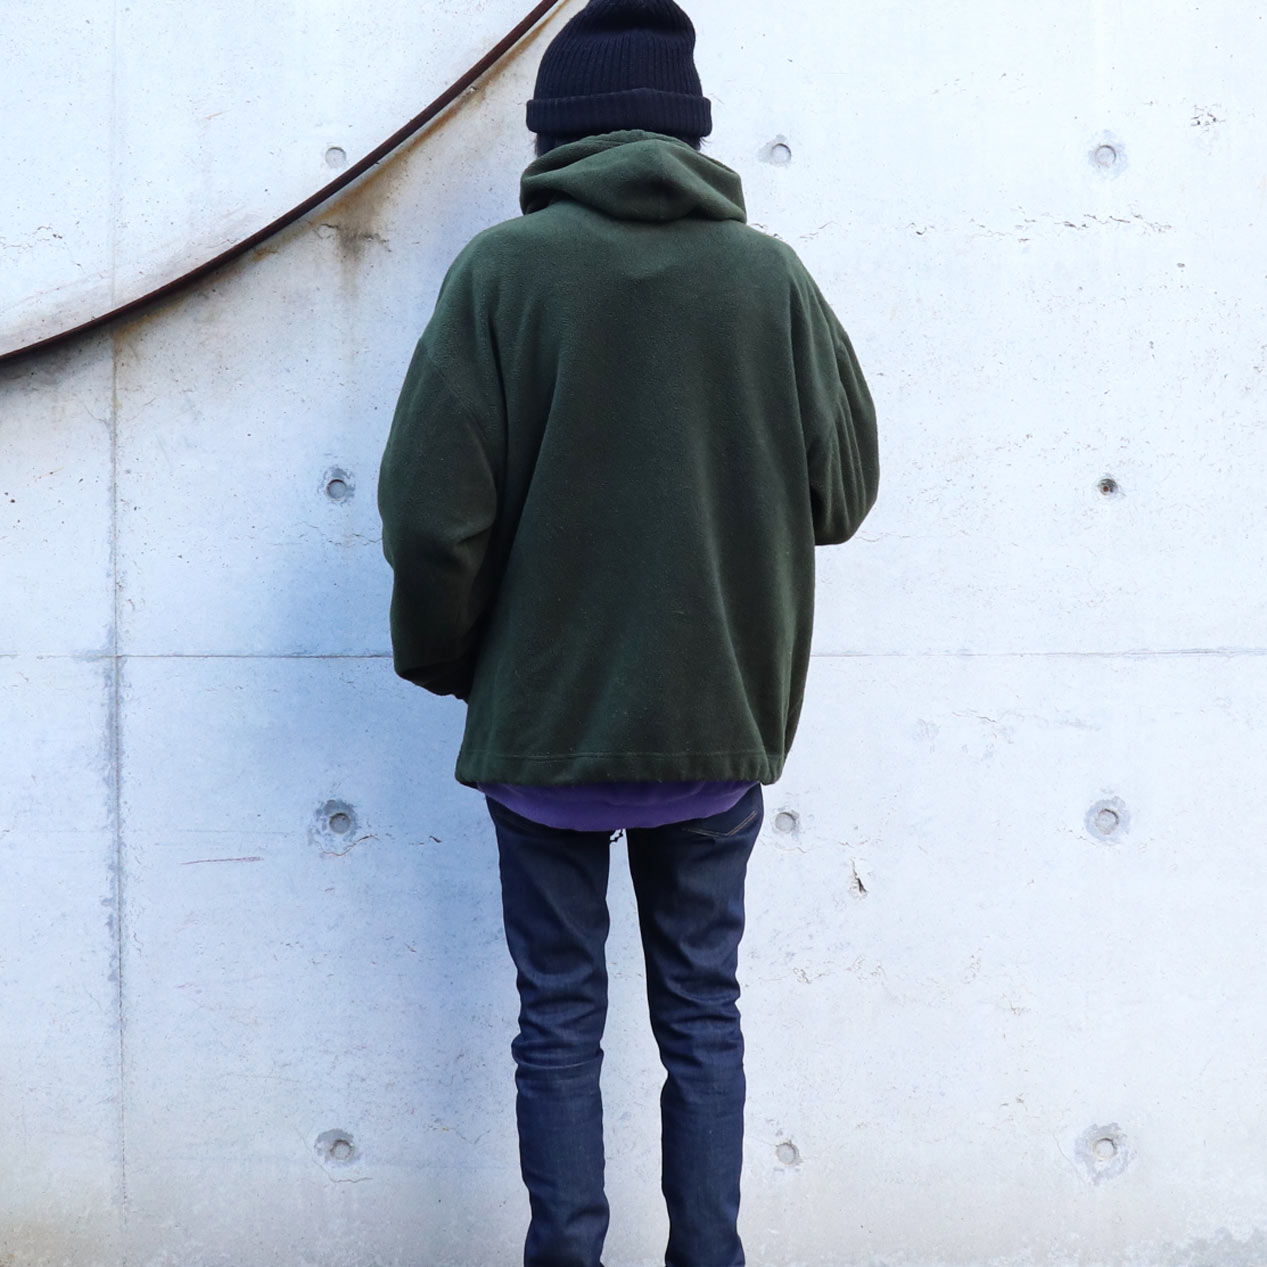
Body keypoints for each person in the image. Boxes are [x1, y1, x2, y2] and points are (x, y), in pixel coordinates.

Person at [376, 1, 879, 1263]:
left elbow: (432, 516)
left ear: (555, 132)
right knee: (702, 1014)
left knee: (558, 1020)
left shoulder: (501, 274)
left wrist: (449, 662)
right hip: (713, 728)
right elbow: (841, 492)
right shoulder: (768, 279)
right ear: (689, 134)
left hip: (543, 733)